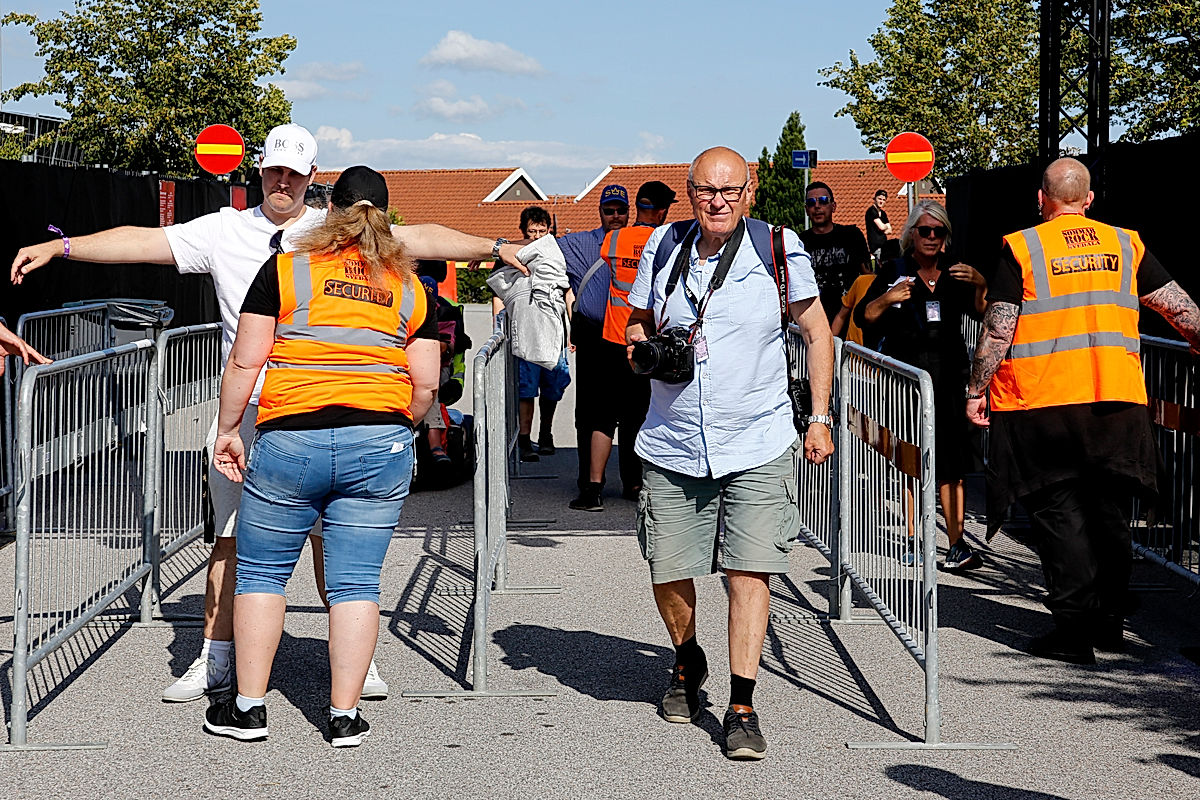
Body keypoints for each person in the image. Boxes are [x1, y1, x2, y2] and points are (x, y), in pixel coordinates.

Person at [10, 123, 530, 704]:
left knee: (332, 540)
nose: (282, 182)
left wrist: (495, 247)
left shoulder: (336, 229)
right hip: (252, 409)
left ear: (312, 178)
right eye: (273, 171)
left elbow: (424, 238)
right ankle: (216, 655)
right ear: (259, 171)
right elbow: (143, 241)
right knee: (230, 539)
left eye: (293, 173)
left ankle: (358, 662)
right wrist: (62, 246)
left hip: (311, 406)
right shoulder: (225, 229)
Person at [202, 166, 436, 746]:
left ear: (331, 212)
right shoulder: (409, 286)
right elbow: (427, 383)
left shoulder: (286, 269)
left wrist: (229, 428)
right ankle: (344, 717)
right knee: (357, 583)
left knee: (260, 573)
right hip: (378, 439)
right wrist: (396, 427)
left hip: (291, 437)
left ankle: (248, 710)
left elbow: (245, 361)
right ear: (387, 216)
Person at [626, 147, 834, 760]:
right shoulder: (663, 247)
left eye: (729, 190)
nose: (717, 201)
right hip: (674, 437)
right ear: (689, 193)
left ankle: (742, 705)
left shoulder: (777, 249)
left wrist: (818, 417)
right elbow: (636, 320)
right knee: (667, 567)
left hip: (757, 437)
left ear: (748, 193)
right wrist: (643, 348)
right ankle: (689, 659)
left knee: (749, 571)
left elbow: (817, 332)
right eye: (704, 190)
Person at [965, 157, 1200, 665]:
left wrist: (976, 387)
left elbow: (999, 328)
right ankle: (1110, 622)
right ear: (1089, 199)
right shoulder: (1124, 243)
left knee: (1060, 516)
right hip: (1116, 401)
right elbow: (1178, 306)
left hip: (1044, 404)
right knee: (1107, 514)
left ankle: (1074, 632)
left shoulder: (1023, 246)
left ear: (1041, 198)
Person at [856, 200, 987, 572]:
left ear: (946, 236)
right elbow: (865, 316)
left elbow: (983, 313)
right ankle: (914, 538)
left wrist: (981, 286)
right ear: (911, 234)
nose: (931, 237)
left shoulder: (956, 272)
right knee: (910, 459)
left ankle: (957, 544)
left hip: (949, 377)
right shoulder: (895, 270)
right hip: (908, 379)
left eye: (938, 231)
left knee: (952, 463)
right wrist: (888, 298)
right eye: (925, 230)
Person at [570, 181, 675, 511]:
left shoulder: (615, 239)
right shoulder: (668, 244)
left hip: (612, 338)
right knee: (639, 416)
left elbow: (609, 263)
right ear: (661, 211)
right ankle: (635, 483)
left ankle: (593, 489)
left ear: (636, 208)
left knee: (602, 418)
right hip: (647, 343)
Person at [560, 185, 628, 507]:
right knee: (589, 413)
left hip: (630, 335)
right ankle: (589, 483)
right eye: (609, 210)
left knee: (635, 412)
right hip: (593, 334)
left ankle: (634, 482)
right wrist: (496, 253)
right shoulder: (581, 243)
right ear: (600, 212)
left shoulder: (641, 242)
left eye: (620, 210)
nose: (615, 216)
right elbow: (539, 249)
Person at [512, 206, 571, 461]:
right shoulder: (515, 255)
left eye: (542, 231)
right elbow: (500, 294)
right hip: (526, 331)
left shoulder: (556, 254)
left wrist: (572, 330)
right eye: (532, 232)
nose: (537, 237)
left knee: (552, 386)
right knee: (526, 389)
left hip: (554, 333)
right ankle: (524, 439)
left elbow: (568, 290)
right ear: (523, 232)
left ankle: (545, 434)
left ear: (550, 231)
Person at [797, 181, 871, 323]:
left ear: (833, 206)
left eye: (823, 201)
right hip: (814, 319)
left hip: (850, 318)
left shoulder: (852, 235)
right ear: (806, 209)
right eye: (811, 202)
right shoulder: (799, 242)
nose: (817, 206)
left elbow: (868, 276)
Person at [830, 272, 875, 347]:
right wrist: (830, 346)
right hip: (853, 352)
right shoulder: (862, 281)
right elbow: (841, 316)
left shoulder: (899, 291)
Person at [865, 188, 893, 269]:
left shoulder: (883, 213)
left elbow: (890, 230)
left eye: (884, 200)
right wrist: (884, 227)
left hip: (884, 246)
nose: (881, 201)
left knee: (881, 268)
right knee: (883, 266)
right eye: (879, 199)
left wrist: (884, 227)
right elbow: (881, 227)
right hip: (876, 246)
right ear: (875, 199)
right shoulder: (871, 211)